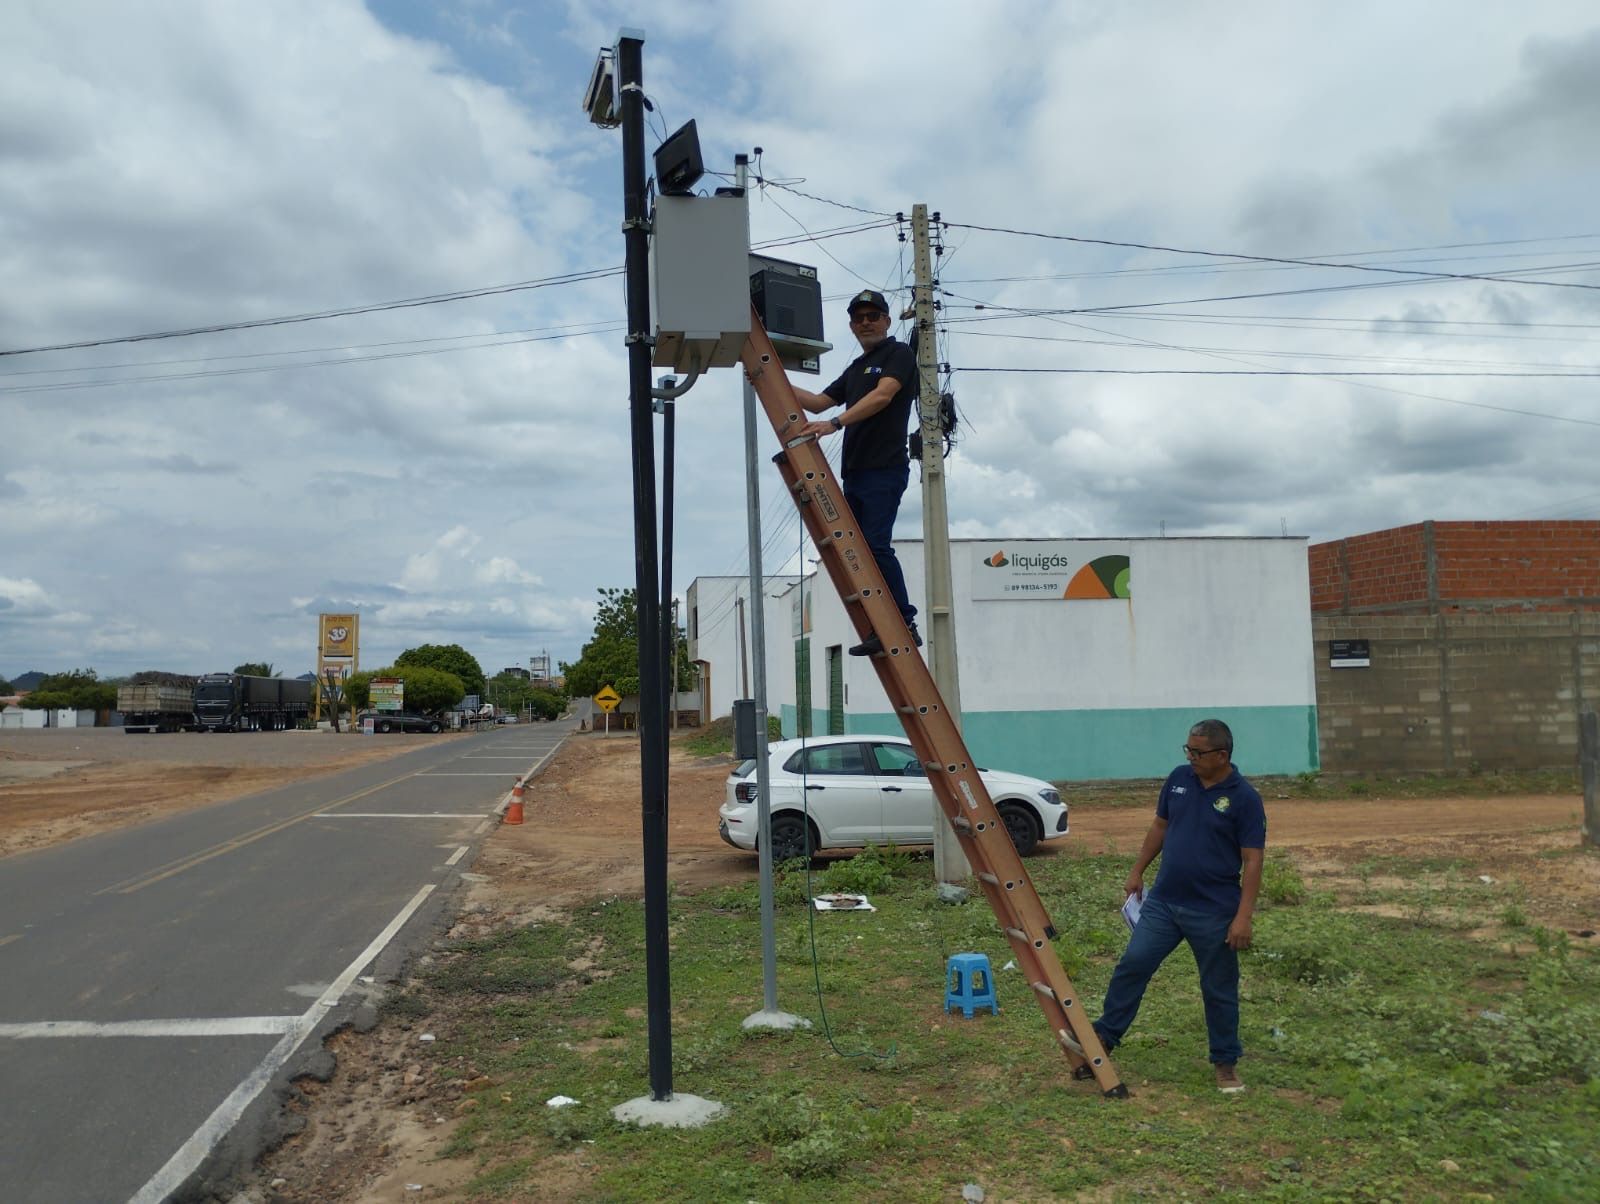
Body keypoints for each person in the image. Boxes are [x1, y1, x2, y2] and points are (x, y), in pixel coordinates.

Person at [1091, 719, 1266, 1093]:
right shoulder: (1178, 779)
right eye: (1187, 749)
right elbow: (1160, 827)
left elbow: (1252, 859)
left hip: (1215, 911)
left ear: (1222, 755)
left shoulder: (1244, 798)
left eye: (1198, 752)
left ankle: (1225, 1062)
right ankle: (1103, 1038)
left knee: (1218, 988)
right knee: (1133, 964)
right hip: (1164, 903)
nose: (1190, 757)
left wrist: (1243, 917)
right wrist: (1137, 870)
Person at [791, 289, 920, 656]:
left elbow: (883, 396)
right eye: (859, 318)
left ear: (886, 321)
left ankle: (905, 624)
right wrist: (765, 378)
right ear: (851, 326)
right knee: (859, 552)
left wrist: (834, 422)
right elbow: (818, 401)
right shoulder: (854, 369)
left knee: (876, 546)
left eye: (873, 316)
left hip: (885, 469)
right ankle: (882, 627)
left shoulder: (899, 354)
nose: (866, 322)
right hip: (856, 473)